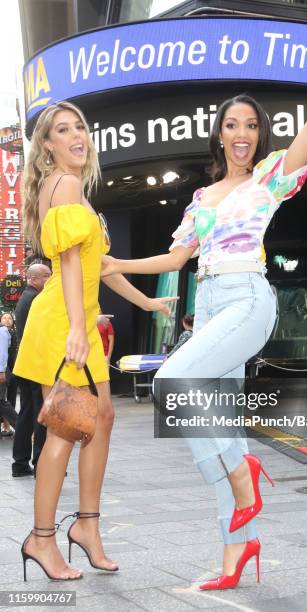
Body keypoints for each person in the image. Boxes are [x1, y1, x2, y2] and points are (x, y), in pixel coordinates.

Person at [103, 9, 307, 590]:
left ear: (259, 135)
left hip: (247, 299)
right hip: (209, 304)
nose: (241, 134)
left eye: (251, 126)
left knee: (171, 385)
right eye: (232, 125)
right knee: (218, 428)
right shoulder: (202, 196)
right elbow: (174, 260)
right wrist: (116, 264)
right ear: (219, 133)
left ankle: (243, 475)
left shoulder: (268, 177)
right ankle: (237, 549)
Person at [13, 100, 177, 581]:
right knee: (66, 429)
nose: (76, 136)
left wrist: (146, 304)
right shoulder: (62, 184)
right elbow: (66, 264)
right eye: (63, 130)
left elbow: (98, 266)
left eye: (80, 126)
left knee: (100, 421)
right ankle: (41, 540)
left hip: (76, 318)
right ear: (48, 147)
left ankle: (86, 526)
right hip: (64, 325)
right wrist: (80, 332)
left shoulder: (76, 192)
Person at [12, 264, 51, 477]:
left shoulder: (26, 297)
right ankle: (41, 464)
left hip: (24, 363)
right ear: (33, 278)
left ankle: (20, 464)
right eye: (47, 276)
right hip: (36, 363)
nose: (50, 279)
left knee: (27, 413)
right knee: (40, 414)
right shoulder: (36, 299)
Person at [0, 322, 18, 434]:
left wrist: (1, 371)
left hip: (1, 370)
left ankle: (22, 428)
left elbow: (2, 353)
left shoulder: (2, 331)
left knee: (1, 402)